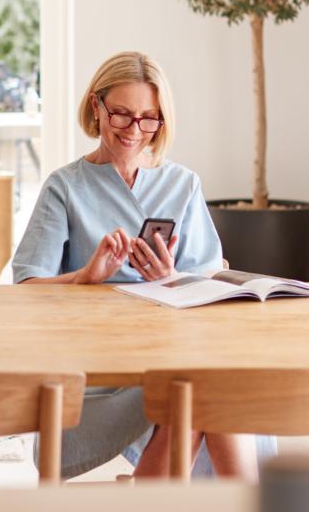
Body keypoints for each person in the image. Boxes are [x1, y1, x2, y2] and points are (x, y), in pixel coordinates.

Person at [13, 51, 260, 479]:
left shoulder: (182, 184)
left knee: (202, 385)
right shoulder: (66, 187)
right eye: (122, 115)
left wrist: (171, 279)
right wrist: (84, 277)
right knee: (204, 390)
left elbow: (208, 278)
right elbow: (26, 291)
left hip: (171, 357)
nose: (135, 131)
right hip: (94, 376)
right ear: (97, 106)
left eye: (149, 119)